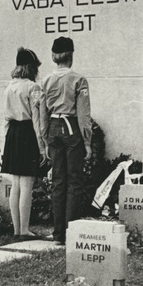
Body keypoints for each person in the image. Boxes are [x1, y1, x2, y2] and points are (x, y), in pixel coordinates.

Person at [41, 36, 92, 246]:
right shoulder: (78, 79)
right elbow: (83, 113)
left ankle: (58, 232)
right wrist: (87, 141)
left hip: (53, 127)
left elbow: (42, 113)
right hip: (71, 127)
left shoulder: (45, 80)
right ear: (70, 55)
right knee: (74, 180)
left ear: (54, 56)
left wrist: (44, 140)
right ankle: (70, 230)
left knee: (58, 181)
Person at [1, 47, 48, 240]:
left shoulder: (9, 86)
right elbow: (38, 119)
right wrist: (42, 146)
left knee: (16, 184)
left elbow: (6, 117)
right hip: (28, 132)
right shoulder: (32, 87)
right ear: (32, 67)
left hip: (13, 133)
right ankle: (25, 229)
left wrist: (8, 139)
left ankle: (17, 229)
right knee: (27, 184)